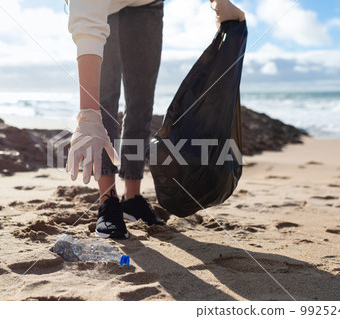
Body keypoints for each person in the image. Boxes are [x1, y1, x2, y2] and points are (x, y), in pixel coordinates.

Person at [66, 0, 245, 239]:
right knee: (103, 102)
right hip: (103, 7)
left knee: (141, 101)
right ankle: (107, 200)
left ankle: (132, 198)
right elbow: (88, 28)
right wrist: (88, 115)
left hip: (147, 4)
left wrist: (220, 2)